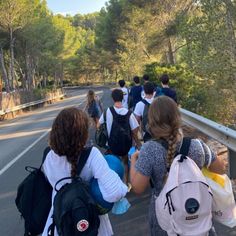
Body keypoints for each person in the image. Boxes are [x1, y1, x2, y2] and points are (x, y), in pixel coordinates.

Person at [130, 96, 225, 236]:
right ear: (177, 118)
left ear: (152, 122)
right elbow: (220, 169)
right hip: (197, 213)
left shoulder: (149, 150)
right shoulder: (197, 146)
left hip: (165, 220)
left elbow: (138, 188)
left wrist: (133, 161)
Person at [42, 107, 128, 236]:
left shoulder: (47, 155)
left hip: (60, 221)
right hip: (91, 223)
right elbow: (114, 192)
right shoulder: (92, 155)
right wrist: (124, 188)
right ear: (83, 133)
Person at [98, 89, 141, 184]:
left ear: (113, 98)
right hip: (125, 144)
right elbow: (135, 130)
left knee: (113, 163)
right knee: (125, 163)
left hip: (111, 143)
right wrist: (137, 143)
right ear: (123, 98)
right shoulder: (128, 113)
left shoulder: (107, 111)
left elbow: (98, 125)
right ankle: (126, 184)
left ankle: (116, 183)